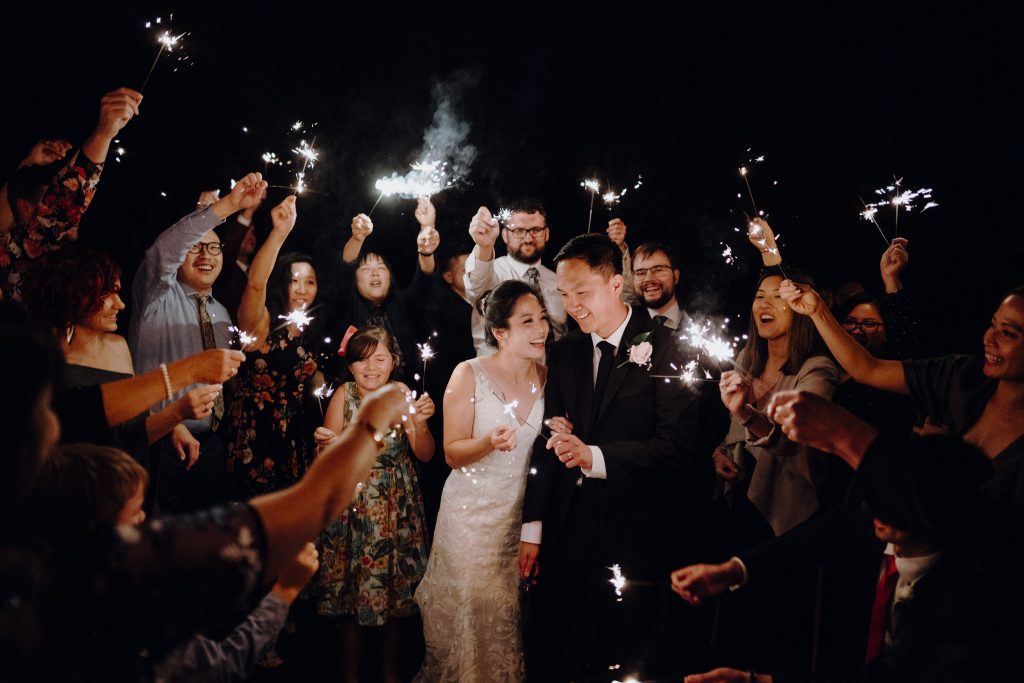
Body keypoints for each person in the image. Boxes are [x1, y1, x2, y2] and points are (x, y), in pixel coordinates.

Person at [0, 304, 413, 679]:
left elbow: (88, 412)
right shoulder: (81, 567)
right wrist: (371, 424)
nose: (58, 424)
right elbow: (312, 503)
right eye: (47, 407)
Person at [519, 233, 704, 681]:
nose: (572, 305)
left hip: (637, 533)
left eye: (582, 292)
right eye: (563, 294)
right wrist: (533, 526)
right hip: (567, 531)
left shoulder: (669, 347)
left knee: (626, 654)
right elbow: (550, 435)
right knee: (553, 648)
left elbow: (676, 447)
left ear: (616, 284)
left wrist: (593, 455)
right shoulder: (565, 351)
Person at [415, 280, 554, 682]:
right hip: (470, 521)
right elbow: (452, 452)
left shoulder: (549, 377)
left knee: (506, 623)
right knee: (469, 626)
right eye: (527, 321)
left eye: (542, 319)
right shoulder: (468, 373)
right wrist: (487, 442)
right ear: (500, 331)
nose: (540, 329)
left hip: (518, 521)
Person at [779, 280, 1024, 492]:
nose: (989, 339)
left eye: (1009, 333)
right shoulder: (963, 375)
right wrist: (817, 309)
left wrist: (945, 453)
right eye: (992, 324)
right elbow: (868, 369)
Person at [128, 172, 268, 513]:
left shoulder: (221, 312)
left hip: (212, 445)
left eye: (213, 247)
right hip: (159, 440)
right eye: (194, 247)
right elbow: (164, 250)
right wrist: (229, 206)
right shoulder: (156, 295)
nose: (205, 255)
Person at [21, 246, 219, 468]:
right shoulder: (41, 356)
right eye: (107, 294)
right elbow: (102, 433)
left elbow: (130, 420)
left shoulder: (118, 346)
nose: (121, 304)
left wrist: (173, 422)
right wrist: (179, 403)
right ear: (73, 293)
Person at [312, 326, 434, 683]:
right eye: (361, 360)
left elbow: (424, 454)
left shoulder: (401, 395)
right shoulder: (343, 396)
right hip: (353, 503)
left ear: (393, 362)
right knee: (352, 596)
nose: (370, 367)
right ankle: (350, 675)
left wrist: (422, 425)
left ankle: (389, 672)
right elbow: (328, 455)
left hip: (395, 503)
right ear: (350, 366)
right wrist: (322, 443)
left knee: (392, 596)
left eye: (379, 358)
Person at [713, 267, 838, 543]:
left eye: (778, 297)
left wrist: (745, 412)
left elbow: (792, 441)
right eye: (760, 296)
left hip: (786, 512)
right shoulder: (746, 357)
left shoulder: (818, 369)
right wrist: (720, 452)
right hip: (737, 496)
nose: (765, 304)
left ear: (800, 307)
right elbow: (733, 431)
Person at [1, 88, 142, 300]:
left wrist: (25, 166)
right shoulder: (18, 262)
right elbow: (64, 208)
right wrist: (103, 134)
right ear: (26, 208)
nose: (78, 215)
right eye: (51, 197)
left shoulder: (33, 257)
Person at [223, 195, 320, 500]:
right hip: (253, 435)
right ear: (282, 283)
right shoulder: (262, 323)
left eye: (311, 282)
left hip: (294, 439)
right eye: (295, 281)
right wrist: (279, 233)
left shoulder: (310, 332)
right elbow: (254, 284)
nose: (303, 289)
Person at [330, 197, 440, 387]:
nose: (374, 272)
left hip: (404, 397)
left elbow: (424, 283)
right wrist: (357, 239)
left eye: (380, 267)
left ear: (390, 277)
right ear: (355, 281)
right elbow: (342, 271)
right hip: (358, 399)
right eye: (365, 269)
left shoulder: (402, 305)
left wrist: (426, 241)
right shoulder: (346, 306)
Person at [463, 199, 567, 355]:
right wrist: (485, 247)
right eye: (518, 231)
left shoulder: (558, 280)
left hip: (556, 374)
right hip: (500, 375)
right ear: (505, 235)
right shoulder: (494, 272)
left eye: (536, 229)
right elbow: (476, 288)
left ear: (546, 233)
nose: (528, 238)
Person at [631, 241, 687, 329]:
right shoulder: (624, 325)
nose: (649, 279)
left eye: (659, 270)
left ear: (676, 276)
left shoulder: (704, 324)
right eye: (641, 273)